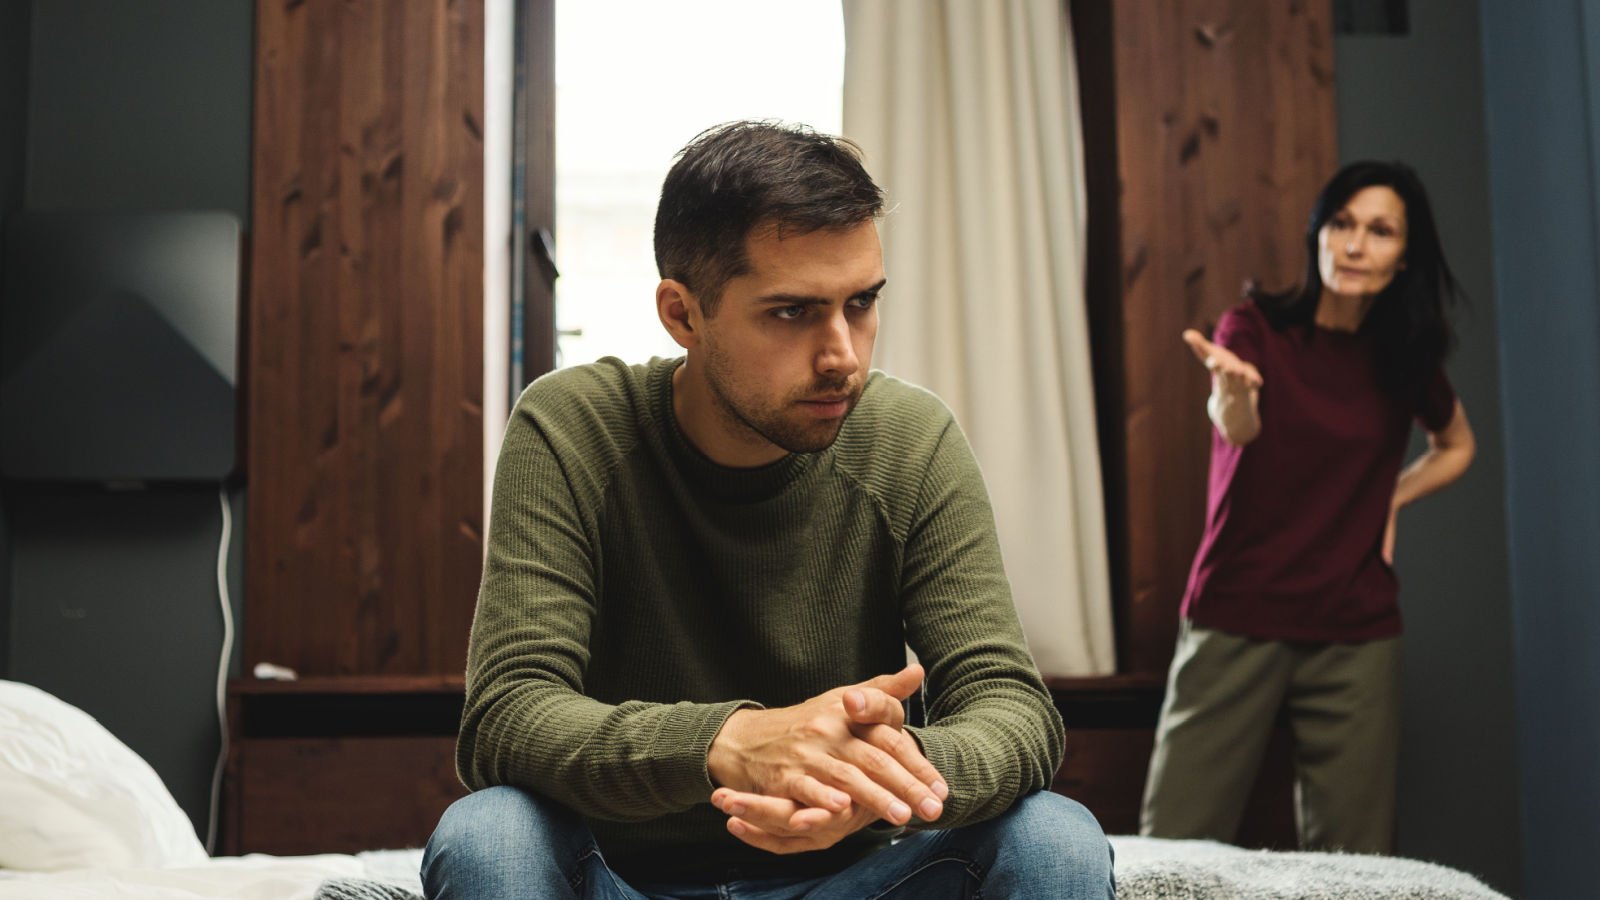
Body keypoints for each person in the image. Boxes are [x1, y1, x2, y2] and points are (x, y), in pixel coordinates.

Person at [421, 121, 1114, 899]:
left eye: (861, 303)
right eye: (792, 313)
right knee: (488, 835)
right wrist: (730, 740)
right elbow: (508, 717)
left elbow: (1013, 710)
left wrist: (862, 782)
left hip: (854, 881)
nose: (842, 355)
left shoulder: (910, 440)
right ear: (683, 315)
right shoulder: (571, 428)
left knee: (1056, 838)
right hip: (618, 881)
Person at [1139, 160, 1477, 853]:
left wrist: (1390, 500)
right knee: (1173, 847)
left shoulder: (1405, 356)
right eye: (1342, 224)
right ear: (1318, 233)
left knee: (1354, 866)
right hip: (1237, 614)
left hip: (1356, 631)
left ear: (1405, 255)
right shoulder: (1254, 328)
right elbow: (1238, 423)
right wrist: (1232, 392)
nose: (1355, 246)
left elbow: (1456, 445)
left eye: (1380, 231)